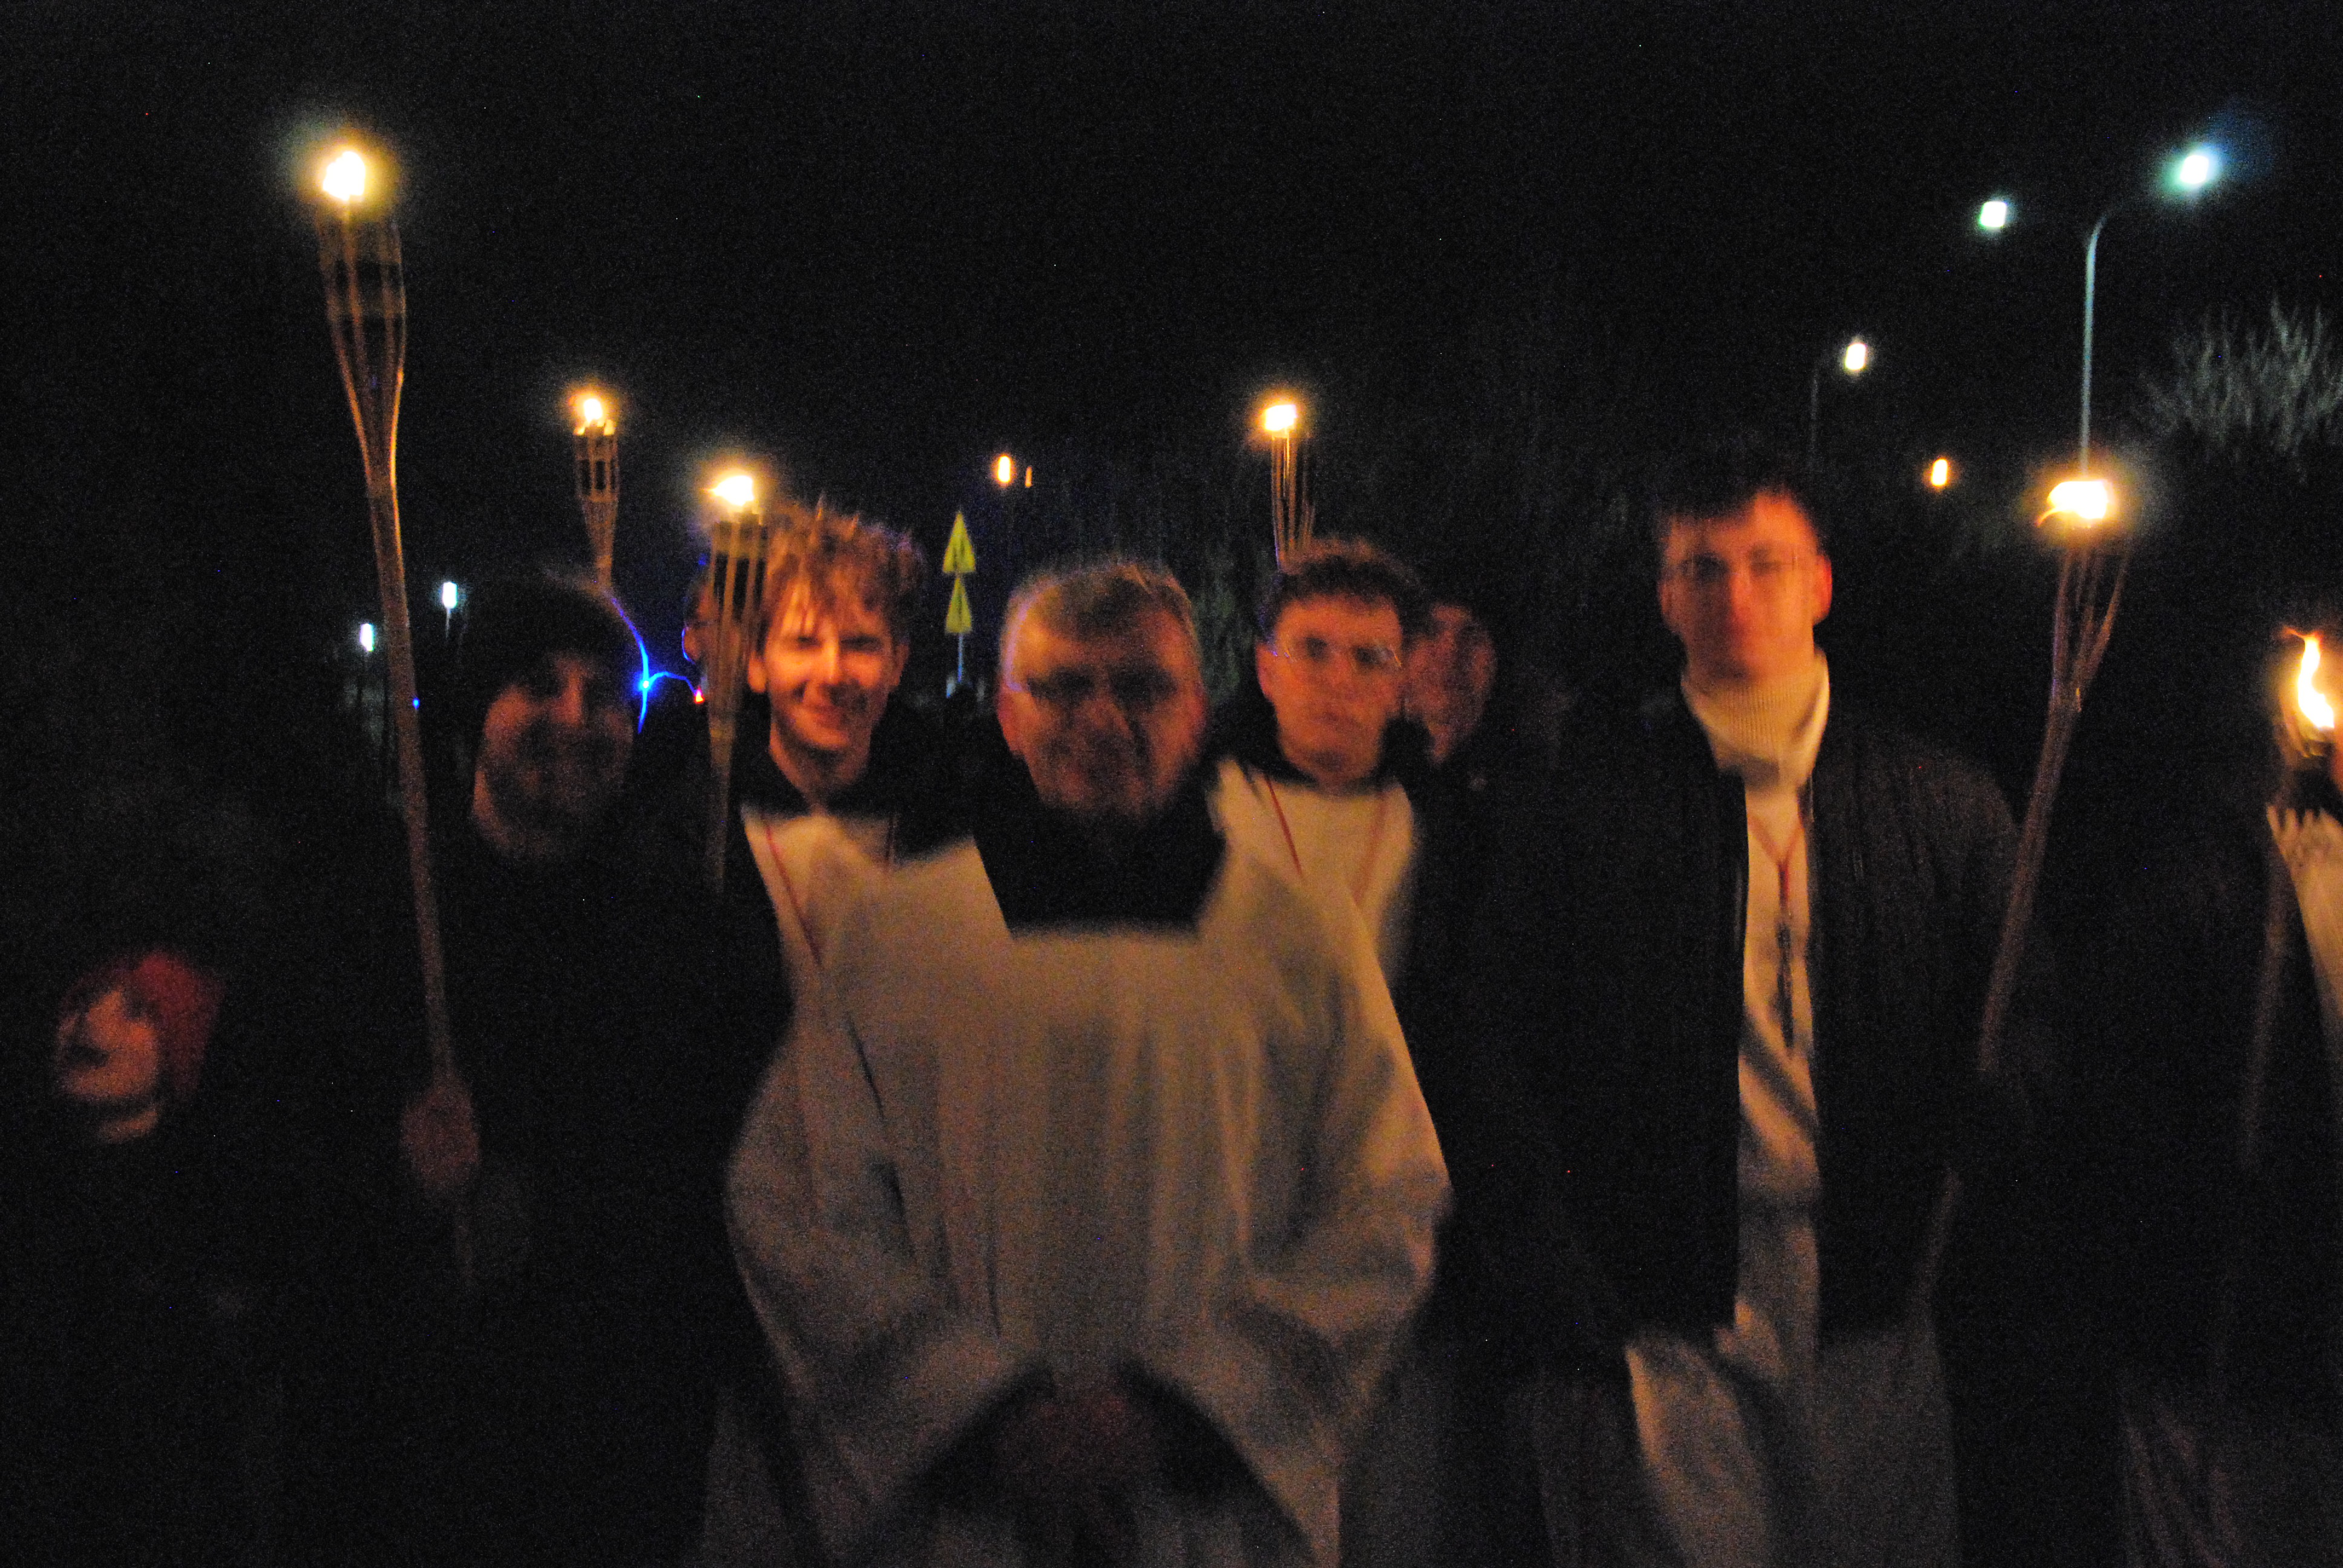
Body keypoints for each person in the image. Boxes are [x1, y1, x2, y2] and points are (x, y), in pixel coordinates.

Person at [728, 559, 1449, 1567]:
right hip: (977, 1499)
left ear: (1194, 714)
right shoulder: (899, 936)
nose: (1102, 719)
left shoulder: (1301, 940)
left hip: (1208, 1503)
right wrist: (990, 1418)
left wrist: (1173, 1414)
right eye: (1064, 687)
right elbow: (800, 1202)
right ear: (1009, 716)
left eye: (1141, 687)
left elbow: (1387, 1202)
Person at [1457, 443, 2040, 1567]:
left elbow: (2024, 1008)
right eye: (1703, 568)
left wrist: (2000, 1111)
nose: (1736, 596)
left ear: (1820, 583)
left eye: (1767, 564)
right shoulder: (1585, 805)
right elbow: (1500, 1043)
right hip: (1665, 1303)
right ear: (1665, 597)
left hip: (1875, 1295)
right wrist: (1553, 1264)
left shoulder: (1942, 802)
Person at [391, 574, 777, 1565]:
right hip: (420, 1445)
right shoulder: (384, 915)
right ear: (479, 710)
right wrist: (400, 1184)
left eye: (602, 694)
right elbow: (267, 1167)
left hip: (616, 1448)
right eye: (538, 685)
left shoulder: (684, 935)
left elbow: (737, 1170)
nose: (574, 717)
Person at [1210, 539, 1433, 984]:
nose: (1340, 680)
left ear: (1400, 686)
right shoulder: (1201, 801)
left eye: (1370, 658)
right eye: (1313, 651)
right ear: (1267, 671)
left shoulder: (1437, 821)